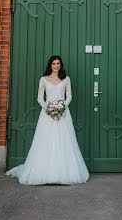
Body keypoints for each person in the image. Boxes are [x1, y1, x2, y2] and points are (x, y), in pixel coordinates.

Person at [6, 55, 89, 185]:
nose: (56, 66)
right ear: (50, 65)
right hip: (47, 115)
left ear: (61, 65)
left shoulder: (66, 79)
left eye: (58, 63)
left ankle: (64, 172)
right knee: (45, 141)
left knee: (64, 141)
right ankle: (43, 172)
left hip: (63, 115)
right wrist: (49, 109)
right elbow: (40, 98)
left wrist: (61, 108)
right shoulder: (44, 79)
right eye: (54, 63)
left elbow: (69, 96)